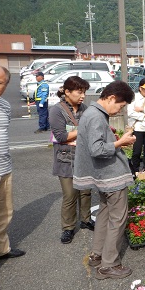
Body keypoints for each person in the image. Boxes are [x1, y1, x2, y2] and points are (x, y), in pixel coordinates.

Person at [73, 80, 136, 280]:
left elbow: (96, 143)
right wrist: (121, 142)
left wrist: (114, 138)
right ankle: (109, 265)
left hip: (102, 176)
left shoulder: (91, 113)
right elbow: (97, 149)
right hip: (111, 176)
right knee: (117, 219)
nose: (120, 110)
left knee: (104, 214)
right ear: (110, 98)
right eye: (121, 105)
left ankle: (97, 254)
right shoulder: (96, 117)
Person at [0, 64, 26, 282]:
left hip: (3, 168)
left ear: (6, 85)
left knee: (4, 213)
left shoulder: (4, 106)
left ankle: (2, 249)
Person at [49, 76, 94, 245]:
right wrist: (83, 129)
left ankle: (86, 219)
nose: (82, 96)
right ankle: (68, 228)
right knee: (70, 195)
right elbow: (61, 136)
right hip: (65, 159)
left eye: (84, 92)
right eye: (79, 92)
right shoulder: (57, 110)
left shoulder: (85, 109)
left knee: (86, 191)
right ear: (67, 92)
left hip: (84, 158)